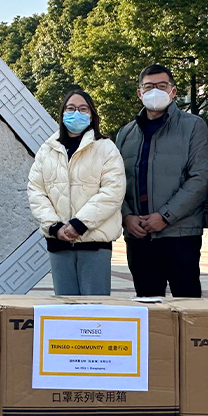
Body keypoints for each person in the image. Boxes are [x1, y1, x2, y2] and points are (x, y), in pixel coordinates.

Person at [115, 64, 208, 297]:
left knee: (187, 307)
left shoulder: (193, 126)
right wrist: (126, 216)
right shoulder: (126, 133)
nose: (155, 91)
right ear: (139, 93)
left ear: (173, 91)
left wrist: (165, 216)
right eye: (149, 87)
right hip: (138, 237)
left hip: (180, 234)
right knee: (148, 310)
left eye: (161, 86)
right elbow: (114, 182)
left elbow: (200, 177)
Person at [28, 90, 126, 295]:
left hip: (94, 243)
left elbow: (113, 191)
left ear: (91, 115)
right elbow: (36, 190)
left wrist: (79, 224)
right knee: (64, 313)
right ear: (62, 113)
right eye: (71, 108)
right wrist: (54, 226)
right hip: (59, 242)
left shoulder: (106, 148)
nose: (76, 113)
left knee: (94, 312)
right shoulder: (48, 149)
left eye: (83, 109)